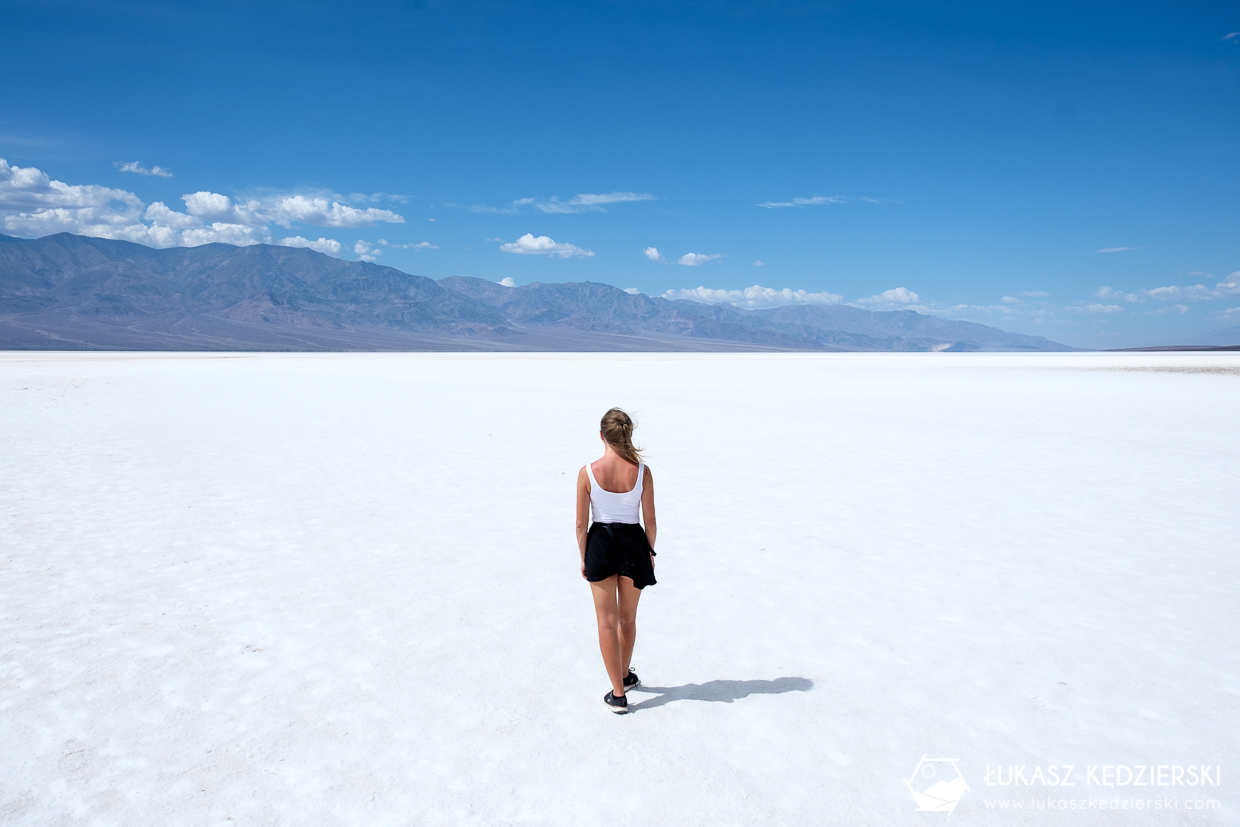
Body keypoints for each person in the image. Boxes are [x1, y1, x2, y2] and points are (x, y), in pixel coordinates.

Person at [576, 407, 657, 714]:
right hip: (634, 544)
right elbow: (650, 521)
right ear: (628, 434)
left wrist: (584, 556)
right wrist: (649, 552)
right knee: (627, 618)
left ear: (602, 436)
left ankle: (619, 693)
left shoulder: (587, 472)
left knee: (606, 622)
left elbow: (580, 525)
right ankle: (624, 675)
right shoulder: (642, 472)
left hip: (600, 544)